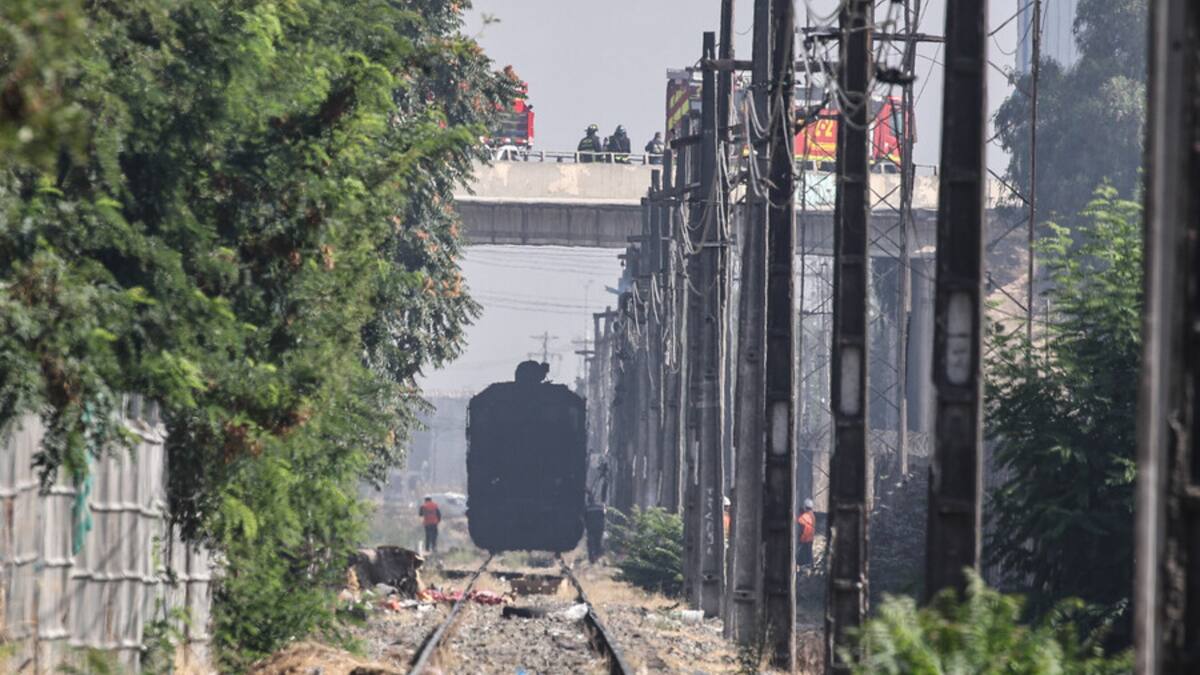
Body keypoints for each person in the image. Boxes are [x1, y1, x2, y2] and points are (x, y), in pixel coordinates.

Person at [796, 498, 816, 567]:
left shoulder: (804, 516)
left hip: (805, 540)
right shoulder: (812, 515)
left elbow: (799, 521)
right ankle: (810, 567)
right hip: (810, 539)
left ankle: (805, 569)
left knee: (801, 559)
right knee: (808, 556)